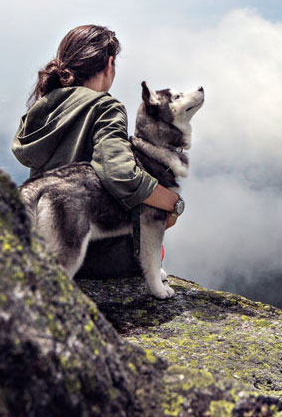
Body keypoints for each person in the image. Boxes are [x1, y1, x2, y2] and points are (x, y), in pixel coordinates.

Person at [11, 25, 182, 277]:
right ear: (109, 64)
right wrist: (172, 202)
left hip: (44, 246)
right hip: (93, 256)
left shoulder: (43, 107)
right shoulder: (105, 107)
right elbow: (120, 173)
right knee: (155, 249)